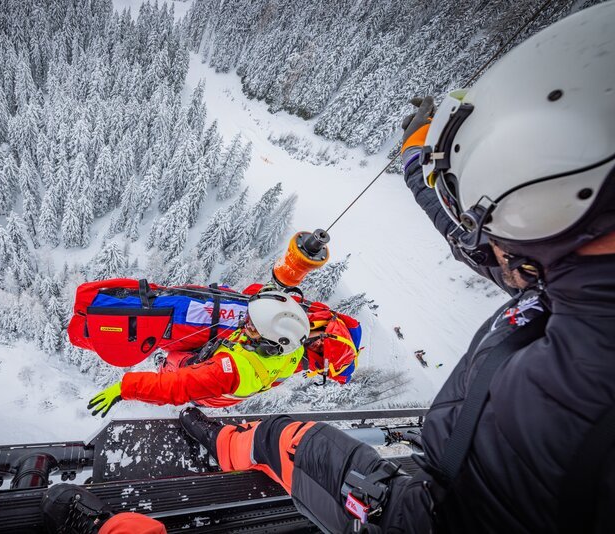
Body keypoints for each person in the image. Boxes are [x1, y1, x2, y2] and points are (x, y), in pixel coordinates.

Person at [176, 4, 615, 533]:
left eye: (487, 210)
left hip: (429, 491)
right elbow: (474, 242)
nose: (484, 237)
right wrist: (415, 164)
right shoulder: (564, 280)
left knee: (287, 440)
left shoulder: (572, 382)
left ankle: (225, 446)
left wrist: (283, 444)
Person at [87, 290, 310, 416]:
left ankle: (163, 364)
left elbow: (175, 386)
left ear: (269, 343)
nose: (244, 324)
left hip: (210, 393)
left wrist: (125, 388)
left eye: (252, 326)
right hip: (233, 376)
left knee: (175, 361)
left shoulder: (228, 371)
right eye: (248, 318)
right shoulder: (293, 349)